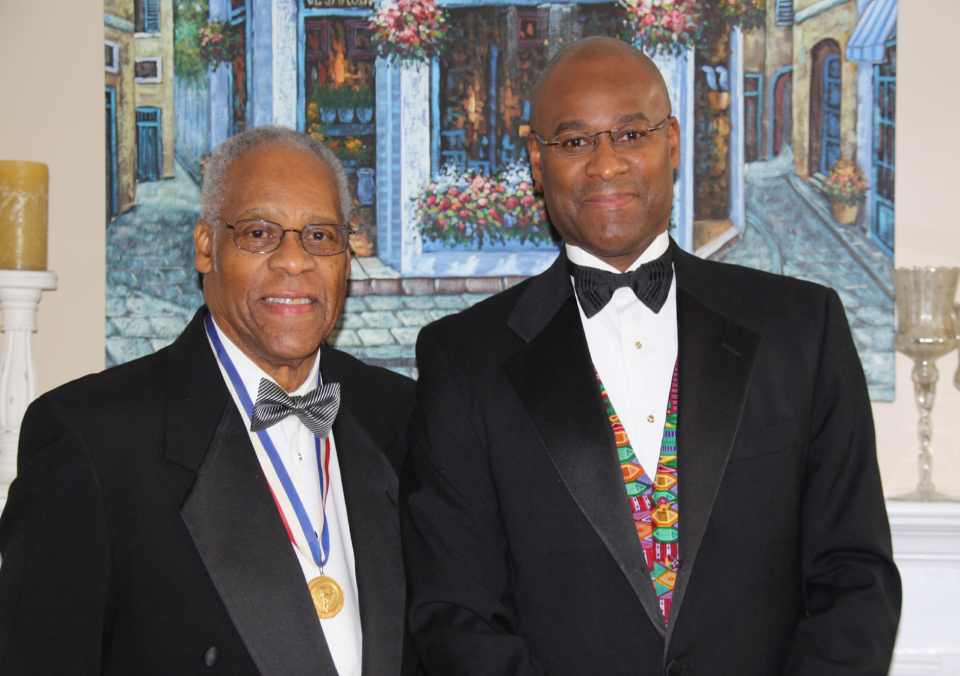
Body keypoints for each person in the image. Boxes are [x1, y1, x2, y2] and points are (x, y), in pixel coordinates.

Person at [401, 37, 900, 676]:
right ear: (536, 160)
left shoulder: (802, 329)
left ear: (673, 141)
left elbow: (854, 572)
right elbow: (455, 612)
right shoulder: (462, 360)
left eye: (631, 134)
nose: (606, 165)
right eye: (575, 141)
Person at [0, 126, 418, 676]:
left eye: (319, 236)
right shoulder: (91, 441)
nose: (294, 260)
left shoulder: (406, 415)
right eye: (260, 233)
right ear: (205, 247)